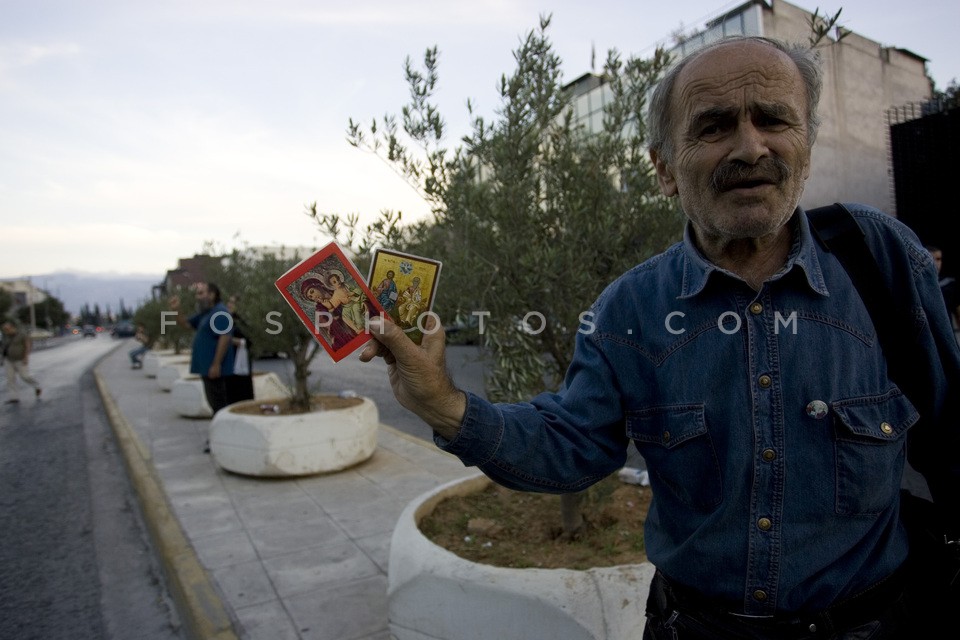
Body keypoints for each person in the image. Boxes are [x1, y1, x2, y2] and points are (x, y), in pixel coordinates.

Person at [359, 36, 960, 638]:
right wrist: (441, 403)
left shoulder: (881, 259)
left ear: (806, 141)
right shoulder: (628, 310)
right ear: (665, 168)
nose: (751, 147)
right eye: (715, 127)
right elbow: (569, 447)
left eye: (775, 119)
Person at [169, 282, 235, 452]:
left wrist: (216, 364)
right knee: (215, 403)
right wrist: (177, 309)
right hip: (206, 367)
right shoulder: (206, 314)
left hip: (214, 369)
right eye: (197, 293)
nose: (197, 297)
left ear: (212, 295)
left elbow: (224, 338)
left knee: (219, 405)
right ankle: (219, 438)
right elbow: (186, 324)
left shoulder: (220, 313)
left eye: (200, 293)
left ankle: (221, 440)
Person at [224, 295, 254, 406]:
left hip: (241, 360)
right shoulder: (226, 319)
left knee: (242, 389)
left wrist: (233, 341)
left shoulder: (242, 321)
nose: (229, 305)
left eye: (232, 303)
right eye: (229, 302)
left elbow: (250, 340)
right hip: (229, 360)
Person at [2, 320, 42, 403]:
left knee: (24, 376)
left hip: (20, 359)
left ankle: (37, 386)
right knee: (10, 379)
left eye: (8, 329)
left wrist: (26, 357)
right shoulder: (5, 336)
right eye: (5, 329)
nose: (6, 331)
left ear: (13, 328)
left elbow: (27, 346)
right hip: (8, 360)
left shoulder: (21, 335)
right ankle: (14, 397)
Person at [926, 244, 960, 333]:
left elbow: (957, 310)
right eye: (931, 259)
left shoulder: (949, 284)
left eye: (938, 259)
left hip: (946, 332)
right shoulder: (917, 285)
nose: (935, 263)